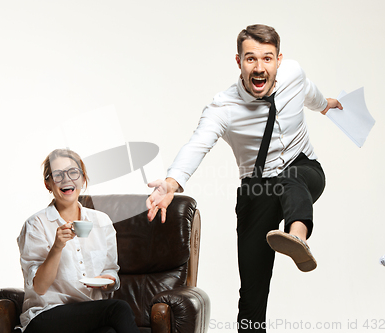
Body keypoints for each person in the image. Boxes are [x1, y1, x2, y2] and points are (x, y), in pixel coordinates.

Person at [146, 24, 342, 332]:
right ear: (239, 62)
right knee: (252, 290)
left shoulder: (293, 73)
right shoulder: (223, 106)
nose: (260, 67)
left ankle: (298, 237)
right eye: (251, 59)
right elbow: (198, 143)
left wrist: (327, 105)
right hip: (257, 187)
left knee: (291, 178)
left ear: (279, 59)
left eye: (267, 58)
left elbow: (311, 94)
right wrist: (171, 182)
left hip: (303, 167)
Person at [17, 148, 139, 333]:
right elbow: (40, 287)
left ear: (83, 179)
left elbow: (110, 270)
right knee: (118, 309)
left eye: (73, 172)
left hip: (90, 314)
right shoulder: (36, 224)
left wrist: (109, 280)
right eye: (57, 175)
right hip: (46, 316)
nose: (66, 179)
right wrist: (57, 247)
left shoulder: (102, 221)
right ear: (48, 184)